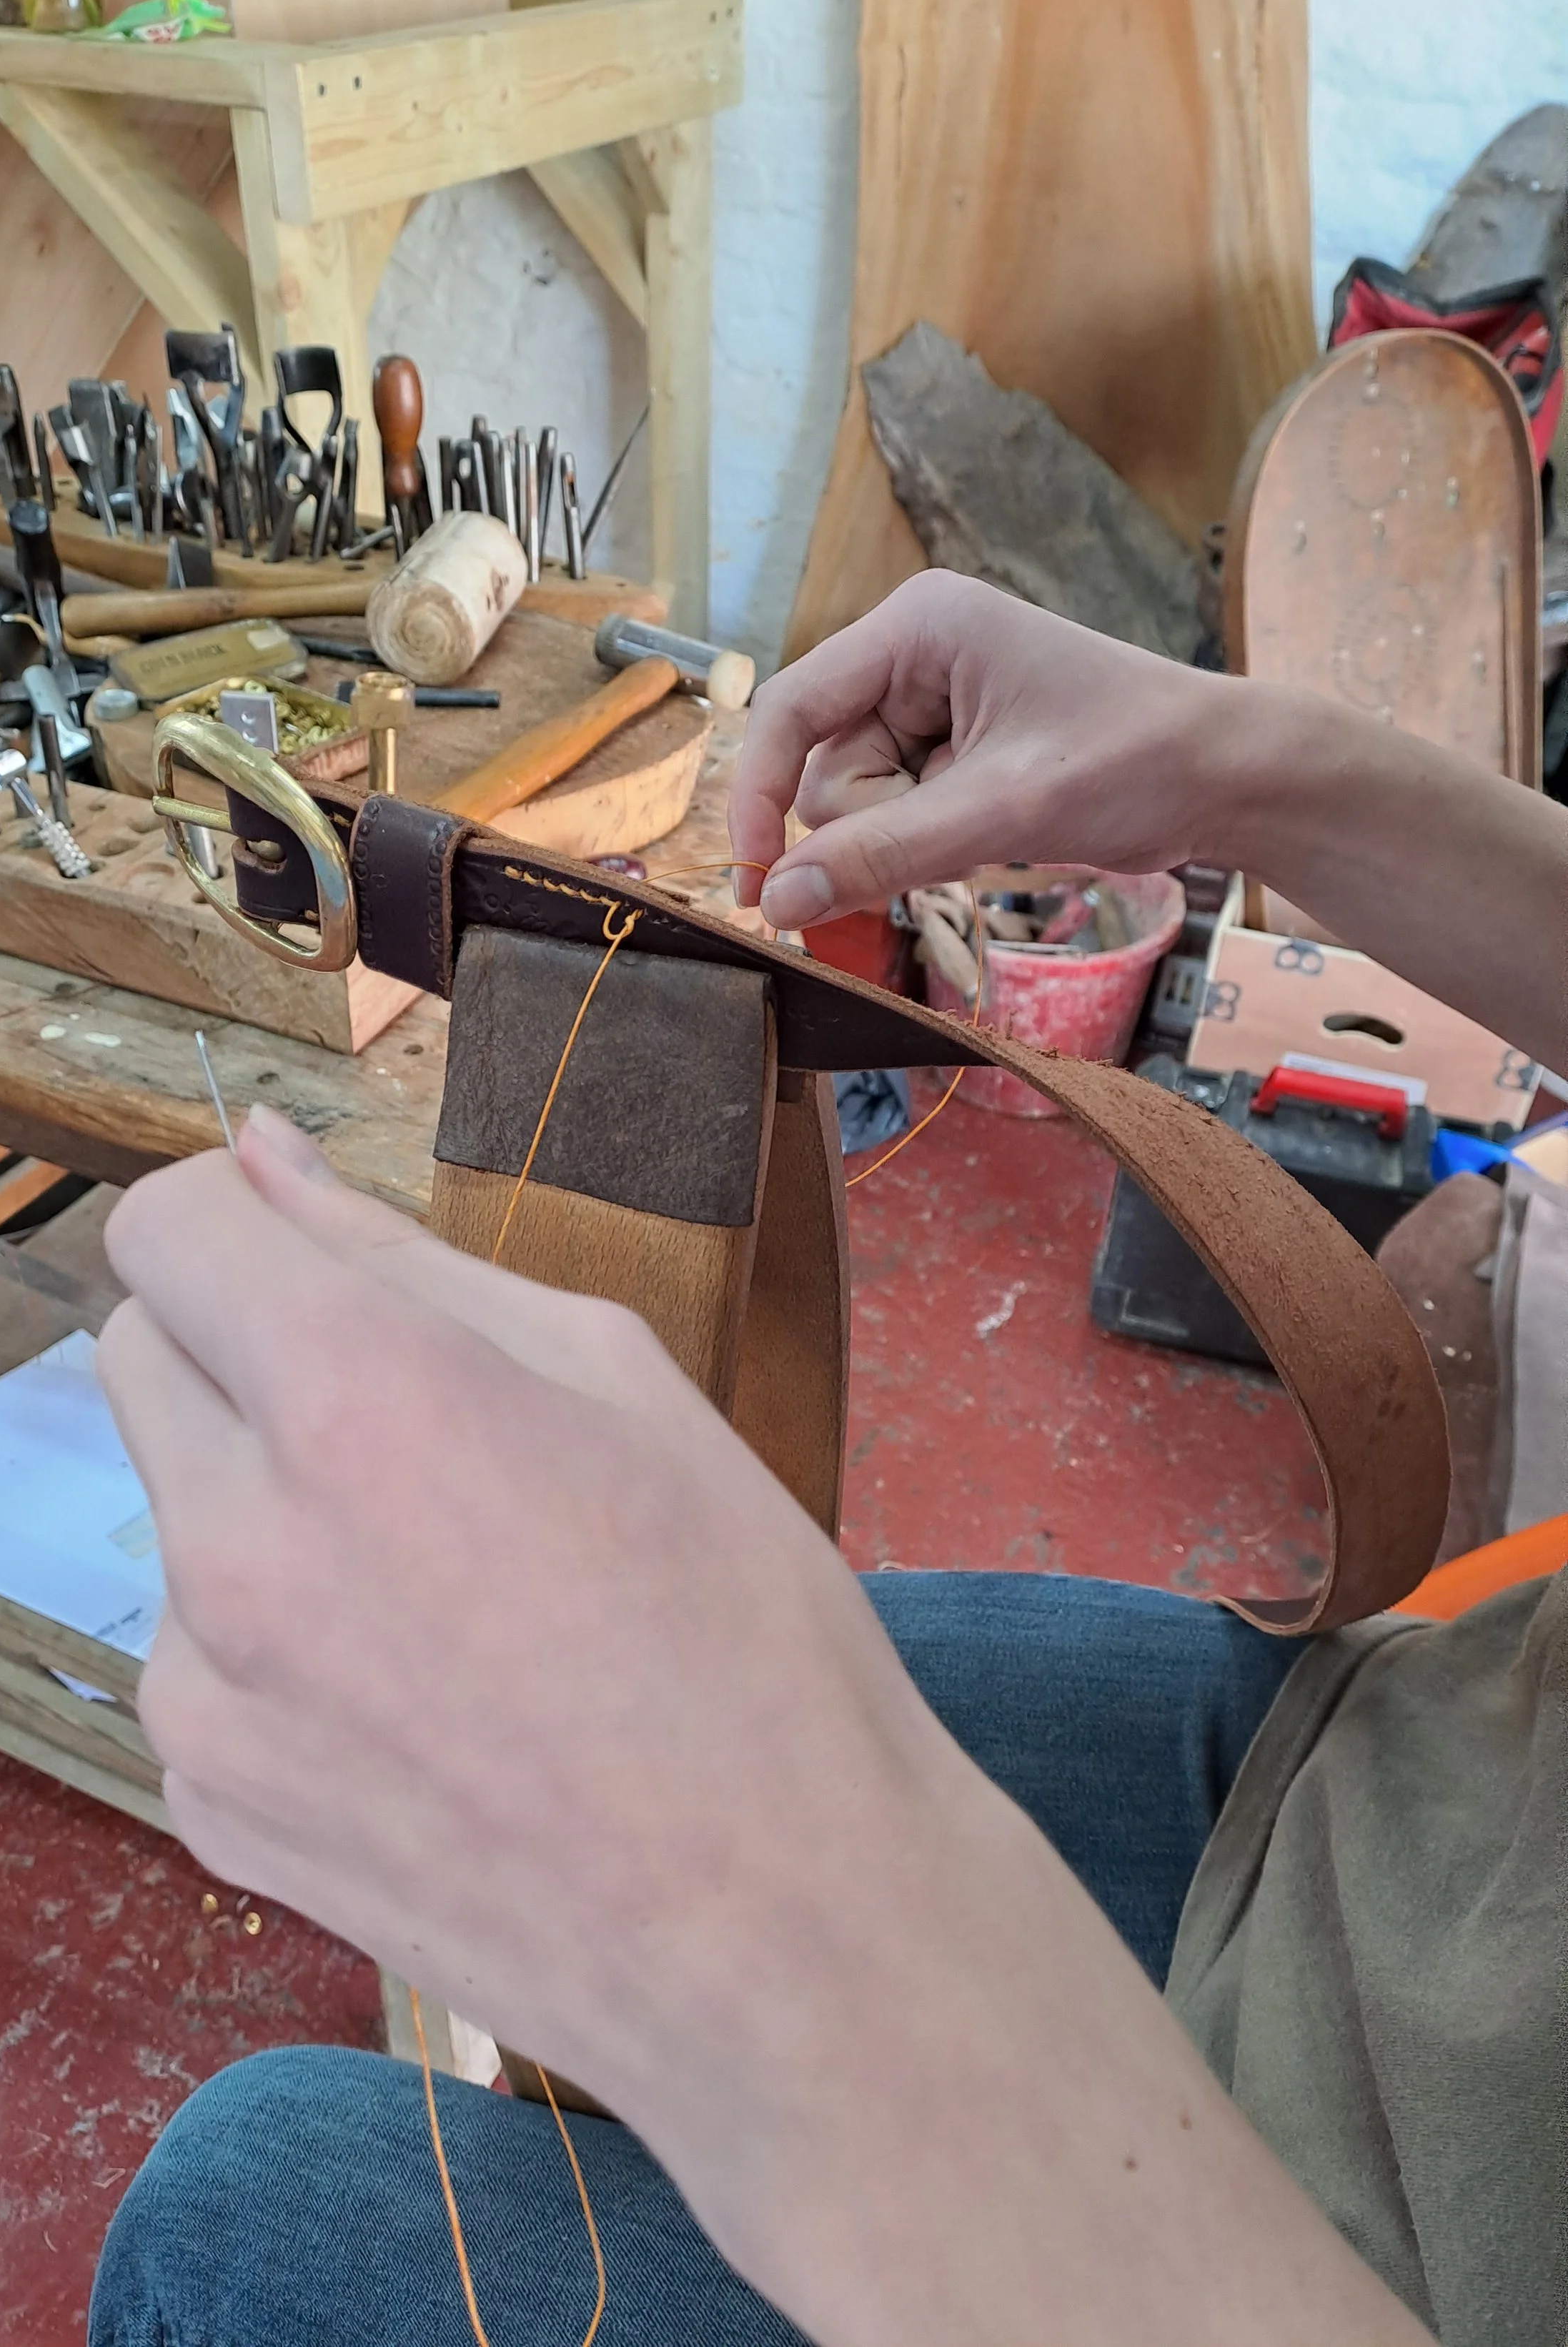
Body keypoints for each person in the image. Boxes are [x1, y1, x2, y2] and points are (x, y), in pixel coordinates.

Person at [87, 574, 1567, 2347]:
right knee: (809, 1668)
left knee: (237, 2224)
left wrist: (802, 1965)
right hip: (1436, 1823)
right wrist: (1252, 769)